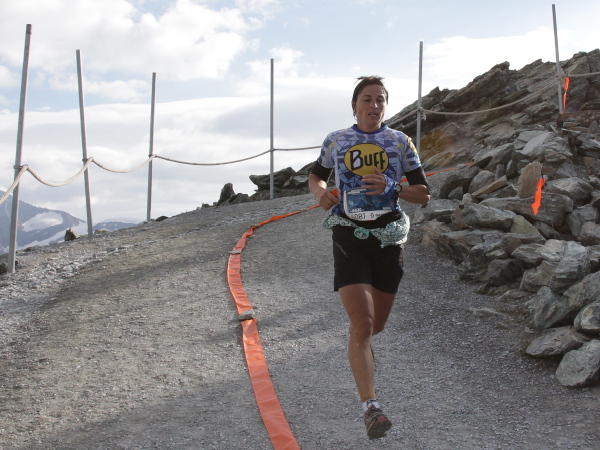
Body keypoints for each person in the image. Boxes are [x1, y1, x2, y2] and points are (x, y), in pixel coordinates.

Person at [308, 76, 430, 440]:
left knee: (375, 325)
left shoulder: (400, 141)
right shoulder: (336, 140)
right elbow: (315, 176)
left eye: (380, 99)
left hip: (389, 238)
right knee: (362, 324)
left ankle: (359, 347)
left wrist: (393, 187)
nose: (374, 105)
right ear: (354, 105)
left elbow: (423, 193)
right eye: (367, 98)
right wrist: (321, 193)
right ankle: (371, 408)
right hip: (349, 234)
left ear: (385, 106)